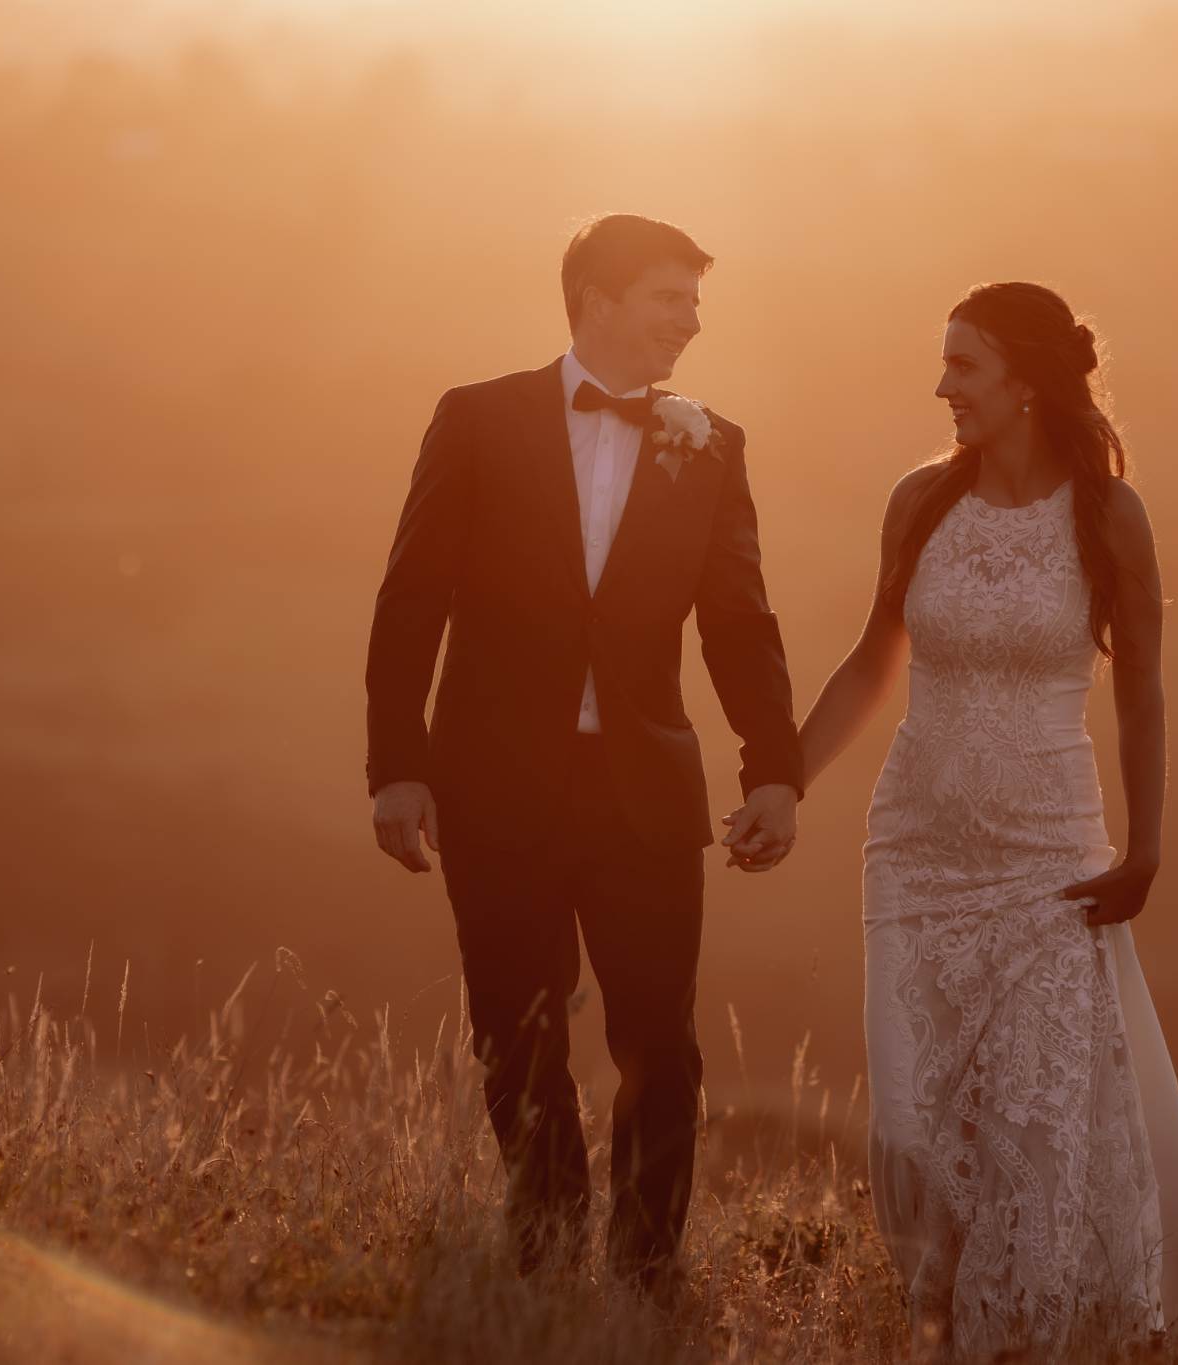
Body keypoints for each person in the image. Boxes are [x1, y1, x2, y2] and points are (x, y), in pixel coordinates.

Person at [789, 283, 1178, 1358]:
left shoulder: (1105, 516)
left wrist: (1147, 847)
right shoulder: (919, 503)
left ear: (1025, 383)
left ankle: (1034, 1342)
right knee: (915, 1128)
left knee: (1035, 1133)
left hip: (1049, 865)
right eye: (943, 366)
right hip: (914, 854)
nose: (941, 387)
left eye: (963, 367)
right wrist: (782, 783)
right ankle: (944, 1327)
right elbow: (869, 662)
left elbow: (1139, 691)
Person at [363, 214, 802, 1295]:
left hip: (646, 797)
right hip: (494, 786)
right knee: (517, 1037)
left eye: (695, 304)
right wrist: (397, 765)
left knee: (664, 1044)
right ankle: (547, 1246)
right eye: (669, 300)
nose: (689, 324)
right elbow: (411, 599)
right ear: (595, 300)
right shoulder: (476, 420)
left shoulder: (711, 442)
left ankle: (645, 1269)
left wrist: (774, 772)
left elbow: (738, 622)